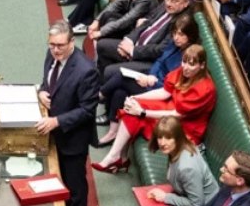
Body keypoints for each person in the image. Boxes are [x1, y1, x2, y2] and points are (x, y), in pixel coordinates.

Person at [93, 44, 217, 175]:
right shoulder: (183, 72)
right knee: (133, 106)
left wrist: (142, 112)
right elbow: (165, 92)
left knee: (137, 112)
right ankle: (118, 157)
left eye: (191, 64)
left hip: (185, 127)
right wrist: (136, 97)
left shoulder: (204, 89)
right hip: (171, 109)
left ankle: (117, 158)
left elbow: (177, 114)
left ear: (202, 65)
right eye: (184, 61)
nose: (185, 67)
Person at [37, 20, 99, 206]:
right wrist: (42, 91)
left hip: (73, 137)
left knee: (74, 181)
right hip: (53, 130)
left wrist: (57, 121)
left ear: (72, 42)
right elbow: (47, 81)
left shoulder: (86, 70)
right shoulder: (51, 55)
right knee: (55, 172)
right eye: (52, 44)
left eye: (60, 45)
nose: (55, 50)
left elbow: (87, 110)